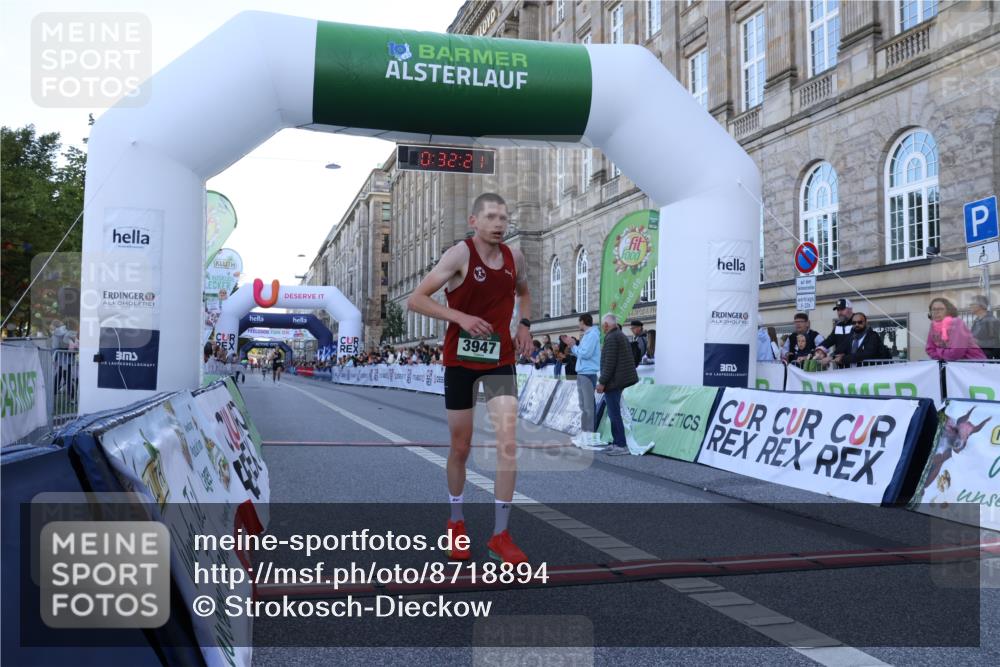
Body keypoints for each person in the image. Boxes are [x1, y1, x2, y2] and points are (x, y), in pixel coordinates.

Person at [407, 192, 533, 564]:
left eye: (504, 218)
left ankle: (500, 534)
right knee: (461, 447)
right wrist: (459, 318)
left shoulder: (515, 257)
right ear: (474, 221)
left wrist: (524, 324)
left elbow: (524, 294)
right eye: (491, 217)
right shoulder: (459, 254)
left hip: (500, 359)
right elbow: (416, 299)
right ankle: (457, 523)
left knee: (508, 443)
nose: (499, 224)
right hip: (460, 360)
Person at [596, 313, 639, 456]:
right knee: (614, 412)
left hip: (614, 382)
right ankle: (617, 442)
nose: (602, 328)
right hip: (618, 380)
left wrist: (602, 382)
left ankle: (621, 444)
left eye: (603, 325)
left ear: (606, 325)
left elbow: (609, 363)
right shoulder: (619, 335)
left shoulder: (612, 337)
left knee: (614, 413)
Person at [562, 313, 600, 447]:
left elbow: (585, 354)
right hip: (583, 372)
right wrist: (574, 346)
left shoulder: (592, 335)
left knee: (588, 406)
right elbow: (583, 353)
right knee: (584, 406)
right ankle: (585, 432)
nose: (578, 325)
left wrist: (573, 346)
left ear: (583, 322)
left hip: (588, 373)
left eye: (579, 322)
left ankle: (589, 433)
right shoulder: (588, 335)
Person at [813, 298, 855, 368]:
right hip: (842, 366)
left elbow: (848, 343)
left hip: (857, 366)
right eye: (838, 310)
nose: (839, 312)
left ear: (850, 309)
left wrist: (832, 356)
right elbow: (829, 340)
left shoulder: (857, 322)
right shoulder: (838, 325)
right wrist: (819, 351)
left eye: (842, 309)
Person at [969, 295, 1000, 359]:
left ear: (981, 306)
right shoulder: (976, 321)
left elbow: (996, 343)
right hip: (977, 356)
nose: (970, 306)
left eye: (972, 304)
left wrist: (977, 342)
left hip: (987, 359)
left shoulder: (991, 321)